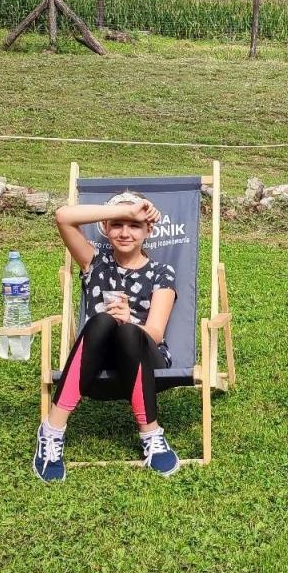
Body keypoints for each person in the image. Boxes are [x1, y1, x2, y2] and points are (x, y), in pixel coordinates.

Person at [34, 192, 180, 481]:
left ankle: (151, 435)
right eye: (116, 224)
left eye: (134, 225)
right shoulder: (94, 262)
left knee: (126, 330)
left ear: (148, 230)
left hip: (145, 355)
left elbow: (155, 332)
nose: (125, 232)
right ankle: (51, 433)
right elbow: (63, 217)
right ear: (105, 227)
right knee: (102, 320)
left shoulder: (161, 273)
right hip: (97, 358)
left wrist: (131, 321)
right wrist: (130, 210)